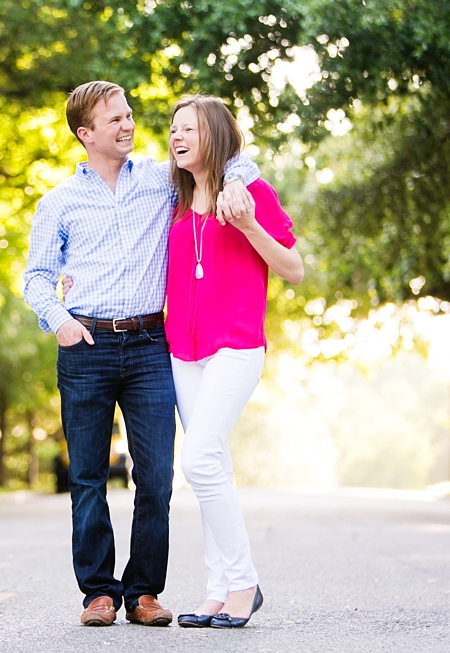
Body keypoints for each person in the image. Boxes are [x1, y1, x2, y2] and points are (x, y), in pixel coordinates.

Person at [22, 81, 259, 627]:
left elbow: (226, 160)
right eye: (114, 120)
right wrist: (58, 321)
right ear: (86, 134)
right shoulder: (58, 202)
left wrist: (240, 185)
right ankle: (98, 594)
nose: (128, 126)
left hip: (153, 343)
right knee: (87, 475)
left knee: (155, 476)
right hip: (85, 343)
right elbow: (36, 277)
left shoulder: (160, 180)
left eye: (129, 116)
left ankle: (145, 592)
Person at [166, 95, 305, 629]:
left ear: (216, 136)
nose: (177, 137)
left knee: (198, 458)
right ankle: (217, 589)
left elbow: (292, 268)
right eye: (173, 129)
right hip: (184, 349)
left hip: (237, 345)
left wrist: (248, 224)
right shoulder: (172, 195)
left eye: (190, 130)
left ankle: (244, 582)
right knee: (211, 467)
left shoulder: (250, 193)